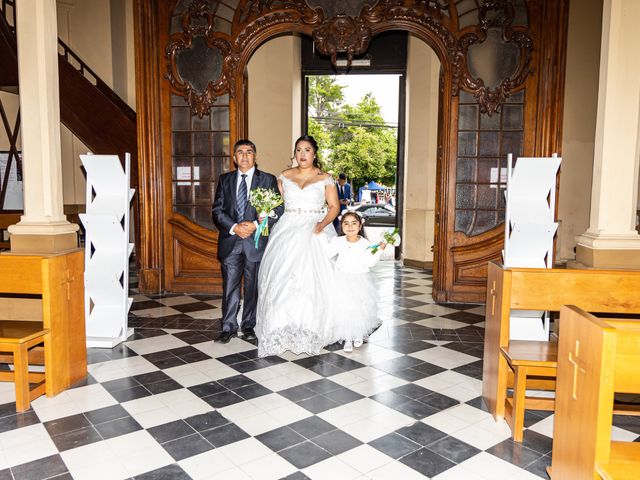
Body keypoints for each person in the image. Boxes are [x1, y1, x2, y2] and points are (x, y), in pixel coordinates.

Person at [256, 135, 341, 357]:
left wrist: (321, 225)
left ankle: (312, 328)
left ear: (314, 153)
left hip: (315, 229)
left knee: (311, 280)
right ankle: (280, 327)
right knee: (282, 278)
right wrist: (263, 211)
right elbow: (274, 205)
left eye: (307, 150)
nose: (302, 154)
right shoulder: (284, 176)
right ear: (294, 154)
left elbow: (334, 207)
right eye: (299, 150)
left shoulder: (326, 178)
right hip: (287, 229)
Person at [212, 139, 283, 343]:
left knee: (252, 287)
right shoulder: (224, 180)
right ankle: (228, 326)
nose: (245, 155)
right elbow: (217, 210)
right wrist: (235, 227)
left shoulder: (268, 180)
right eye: (240, 152)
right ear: (234, 158)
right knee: (230, 287)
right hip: (231, 241)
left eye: (249, 152)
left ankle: (249, 325)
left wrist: (254, 224)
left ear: (255, 156)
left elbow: (278, 209)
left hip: (256, 241)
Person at [324, 211, 385, 353]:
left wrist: (379, 250)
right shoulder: (338, 241)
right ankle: (348, 338)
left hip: (360, 280)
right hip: (342, 279)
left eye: (354, 223)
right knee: (344, 309)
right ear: (341, 226)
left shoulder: (366, 244)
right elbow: (327, 253)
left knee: (359, 309)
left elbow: (370, 262)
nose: (350, 226)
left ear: (360, 225)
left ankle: (358, 334)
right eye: (346, 223)